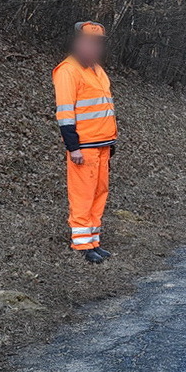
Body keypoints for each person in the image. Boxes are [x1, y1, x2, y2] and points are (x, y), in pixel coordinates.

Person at [52, 21, 118, 263]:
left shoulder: (97, 70)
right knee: (83, 195)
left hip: (102, 144)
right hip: (84, 146)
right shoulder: (68, 70)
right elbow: (65, 113)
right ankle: (81, 245)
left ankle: (94, 241)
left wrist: (110, 142)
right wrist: (73, 147)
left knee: (99, 193)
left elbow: (103, 108)